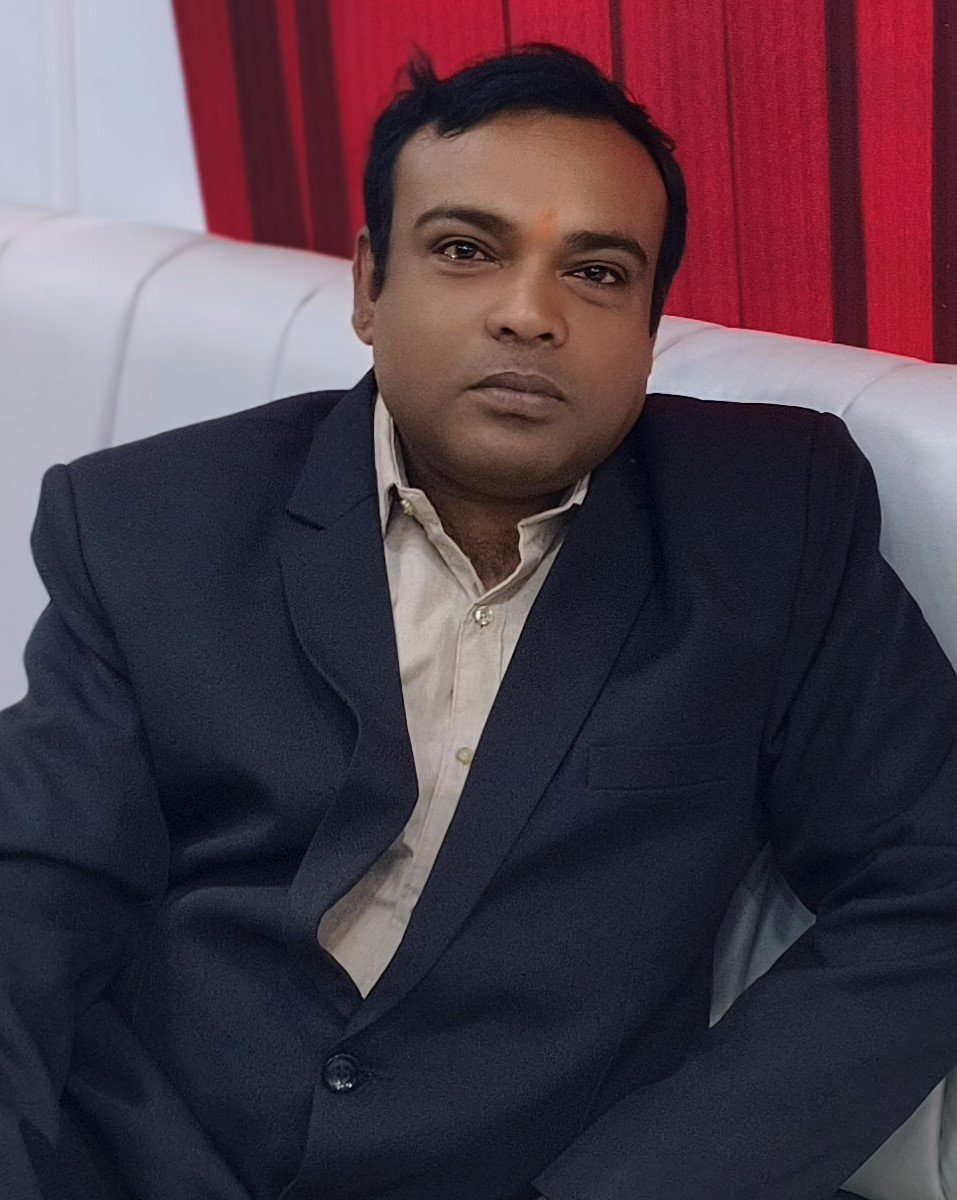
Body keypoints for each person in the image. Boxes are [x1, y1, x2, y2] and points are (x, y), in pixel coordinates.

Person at [1, 41, 955, 1200]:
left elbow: (935, 879)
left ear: (650, 323)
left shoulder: (767, 526)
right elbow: (32, 893)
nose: (529, 314)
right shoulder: (150, 523)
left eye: (597, 272)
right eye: (465, 250)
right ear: (369, 286)